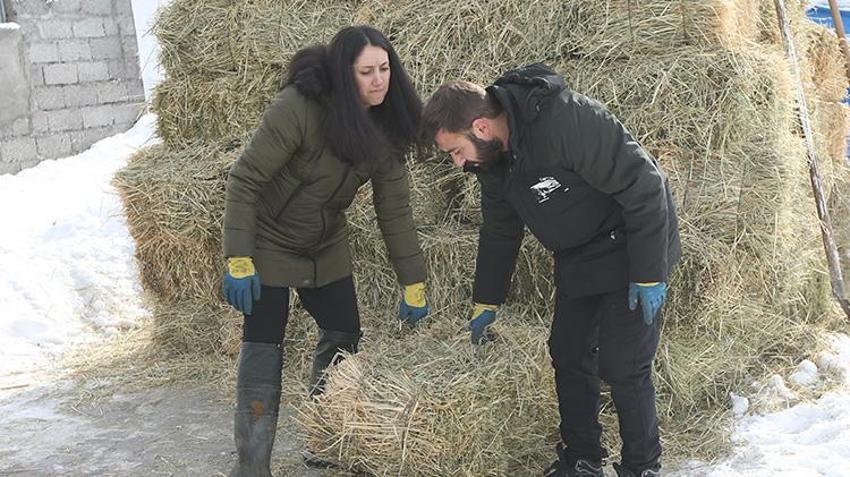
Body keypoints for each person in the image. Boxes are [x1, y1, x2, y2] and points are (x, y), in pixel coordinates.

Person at [421, 64, 680, 477]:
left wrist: (649, 272)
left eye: (455, 150)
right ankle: (582, 460)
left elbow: (645, 185)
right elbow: (500, 233)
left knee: (623, 364)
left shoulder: (565, 120)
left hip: (631, 243)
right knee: (568, 352)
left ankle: (642, 466)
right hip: (577, 252)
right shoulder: (493, 161)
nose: (457, 163)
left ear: (482, 127)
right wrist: (487, 299)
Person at [220, 25, 429, 476]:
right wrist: (239, 256)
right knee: (264, 347)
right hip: (269, 239)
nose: (379, 80)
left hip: (325, 243)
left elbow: (394, 212)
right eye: (366, 72)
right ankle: (252, 466)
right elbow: (245, 179)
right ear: (342, 73)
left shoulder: (386, 126)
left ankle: (325, 437)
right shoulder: (298, 108)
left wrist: (414, 281)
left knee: (344, 333)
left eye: (385, 68)